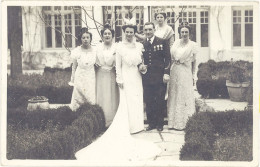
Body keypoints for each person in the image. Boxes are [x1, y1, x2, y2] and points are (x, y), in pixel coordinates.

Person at [75, 20, 161, 163]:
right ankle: (129, 126)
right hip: (126, 77)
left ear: (134, 33)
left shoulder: (139, 46)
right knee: (126, 101)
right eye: (127, 32)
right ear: (124, 33)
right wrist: (119, 79)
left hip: (137, 77)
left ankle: (138, 125)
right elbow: (118, 65)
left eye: (131, 32)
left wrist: (142, 68)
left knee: (137, 99)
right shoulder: (120, 47)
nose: (129, 34)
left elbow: (141, 62)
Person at [139, 22, 171, 132]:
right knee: (149, 100)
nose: (148, 32)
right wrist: (141, 66)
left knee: (160, 100)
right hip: (147, 77)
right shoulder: (142, 44)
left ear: (154, 30)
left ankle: (160, 123)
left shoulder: (162, 42)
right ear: (144, 31)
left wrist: (166, 73)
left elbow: (168, 59)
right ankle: (151, 123)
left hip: (160, 77)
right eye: (146, 30)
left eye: (150, 29)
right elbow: (139, 59)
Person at [167, 21, 198, 130]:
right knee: (174, 95)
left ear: (189, 33)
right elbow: (171, 58)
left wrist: (194, 75)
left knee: (184, 95)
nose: (184, 34)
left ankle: (185, 122)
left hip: (186, 72)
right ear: (179, 32)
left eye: (186, 32)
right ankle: (173, 123)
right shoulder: (175, 43)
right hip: (175, 71)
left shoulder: (193, 45)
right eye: (182, 32)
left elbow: (194, 62)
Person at [96, 23, 119, 127]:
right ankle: (101, 120)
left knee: (112, 97)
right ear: (102, 35)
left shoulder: (116, 47)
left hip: (112, 74)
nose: (107, 35)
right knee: (102, 96)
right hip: (100, 75)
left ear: (112, 35)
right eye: (105, 33)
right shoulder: (97, 48)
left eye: (109, 33)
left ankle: (112, 121)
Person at [69, 28, 96, 111]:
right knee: (78, 96)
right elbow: (74, 67)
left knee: (90, 96)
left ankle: (91, 114)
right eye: (83, 38)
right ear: (80, 39)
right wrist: (72, 79)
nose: (85, 40)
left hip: (90, 75)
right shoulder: (76, 51)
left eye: (87, 37)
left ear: (90, 39)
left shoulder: (95, 50)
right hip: (80, 75)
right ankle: (76, 114)